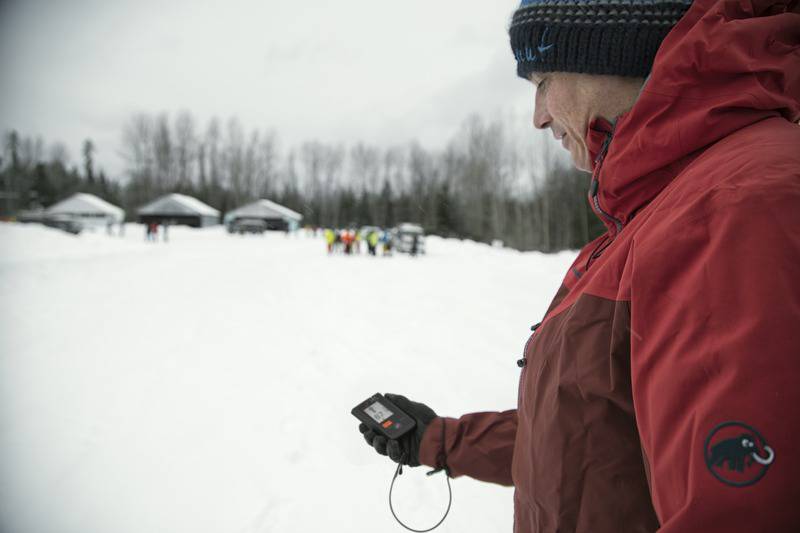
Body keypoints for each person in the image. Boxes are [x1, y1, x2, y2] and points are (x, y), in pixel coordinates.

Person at [356, 1, 800, 532]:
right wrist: (439, 440)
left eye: (543, 80)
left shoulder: (736, 204)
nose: (537, 116)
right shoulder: (653, 215)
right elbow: (591, 437)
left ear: (616, 55)